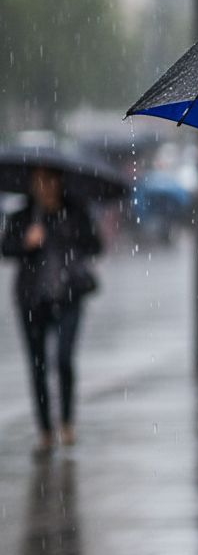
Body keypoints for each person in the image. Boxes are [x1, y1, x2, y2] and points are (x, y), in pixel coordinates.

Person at [1, 166, 102, 453]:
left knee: (64, 358)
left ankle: (67, 422)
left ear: (59, 181)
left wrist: (74, 236)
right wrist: (26, 242)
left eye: (49, 179)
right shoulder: (23, 215)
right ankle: (45, 429)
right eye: (38, 180)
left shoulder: (74, 212)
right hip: (32, 299)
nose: (44, 186)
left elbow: (95, 246)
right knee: (37, 365)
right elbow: (6, 248)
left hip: (69, 295)